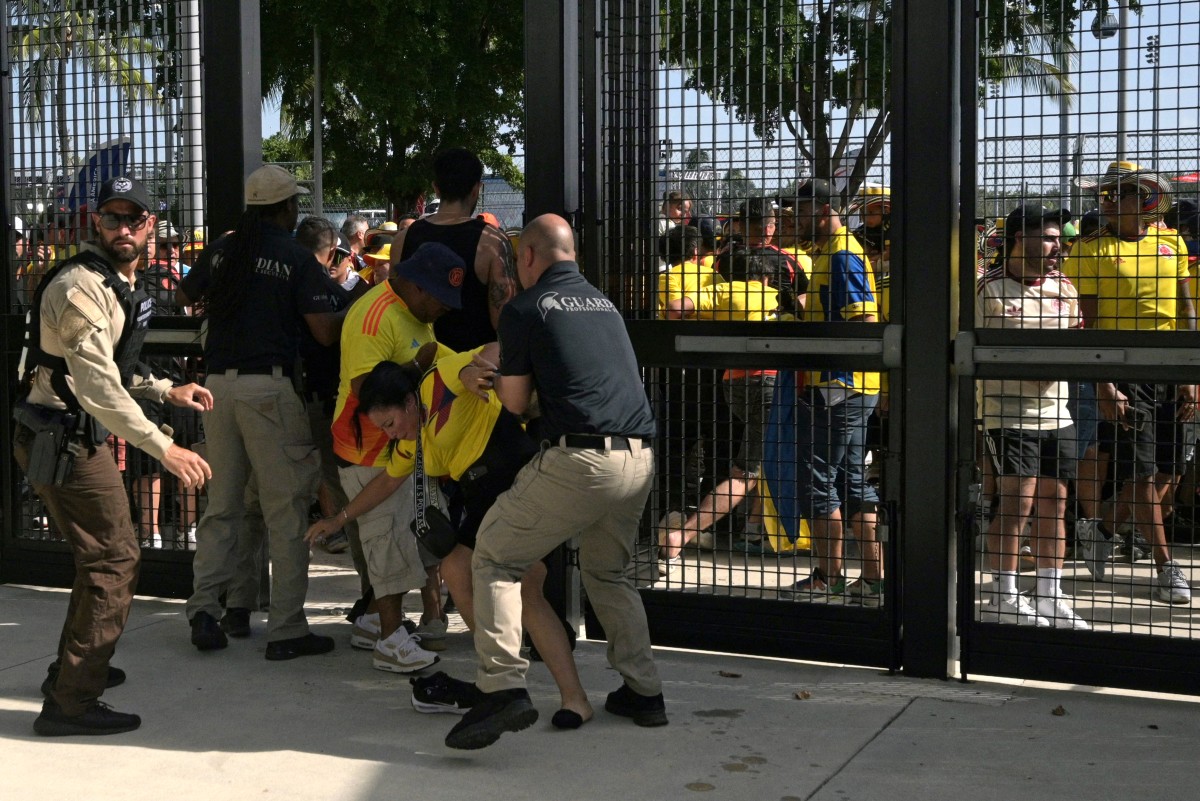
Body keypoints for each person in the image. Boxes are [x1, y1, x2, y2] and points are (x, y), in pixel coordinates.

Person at [443, 214, 665, 751]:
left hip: (580, 461)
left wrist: (484, 381)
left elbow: (517, 404)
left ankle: (502, 688)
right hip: (639, 458)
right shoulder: (605, 305)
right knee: (608, 573)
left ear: (526, 257)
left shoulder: (524, 308)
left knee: (494, 556)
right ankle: (645, 692)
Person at [14, 175, 212, 735]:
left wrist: (165, 391)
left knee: (99, 560)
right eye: (111, 219)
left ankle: (72, 673)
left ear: (152, 226)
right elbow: (98, 388)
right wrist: (164, 445)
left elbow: (116, 371)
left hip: (72, 433)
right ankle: (71, 702)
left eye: (134, 219)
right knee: (114, 561)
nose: (122, 229)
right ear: (95, 224)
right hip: (63, 438)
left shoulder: (119, 281)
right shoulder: (80, 287)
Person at [305, 354, 592, 726]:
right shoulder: (411, 442)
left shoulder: (432, 385)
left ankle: (556, 696)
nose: (390, 434)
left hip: (514, 479)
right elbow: (387, 481)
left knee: (524, 589)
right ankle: (504, 681)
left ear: (409, 402)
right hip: (482, 497)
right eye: (384, 429)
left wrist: (475, 372)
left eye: (391, 423)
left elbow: (475, 359)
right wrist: (338, 519)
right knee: (459, 570)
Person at [180, 164, 345, 659]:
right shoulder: (293, 255)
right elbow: (323, 331)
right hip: (269, 391)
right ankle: (287, 629)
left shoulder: (226, 247)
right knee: (285, 511)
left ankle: (206, 610)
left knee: (224, 507)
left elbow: (187, 293)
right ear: (288, 208)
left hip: (216, 389)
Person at [329, 241, 467, 670]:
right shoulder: (374, 317)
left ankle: (383, 619)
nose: (444, 311)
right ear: (418, 287)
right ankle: (390, 638)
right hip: (369, 451)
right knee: (386, 542)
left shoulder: (413, 312)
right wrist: (418, 371)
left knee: (417, 534)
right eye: (440, 303)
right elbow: (364, 392)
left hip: (405, 447)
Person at [1064, 161, 1196, 604]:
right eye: (1106, 194)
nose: (1108, 201)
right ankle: (1166, 568)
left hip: (1170, 366)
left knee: (1169, 470)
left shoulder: (1170, 239)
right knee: (1141, 473)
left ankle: (1101, 530)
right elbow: (1088, 323)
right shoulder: (1088, 249)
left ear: (1146, 199)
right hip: (1121, 368)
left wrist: (1190, 373)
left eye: (1119, 193)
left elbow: (1186, 308)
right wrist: (1103, 383)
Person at [976, 204, 1088, 629]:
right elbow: (972, 350)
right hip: (1005, 413)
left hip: (1057, 413)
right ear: (1019, 239)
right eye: (1049, 238)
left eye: (1060, 239)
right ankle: (1003, 594)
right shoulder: (988, 289)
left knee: (1055, 504)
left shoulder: (1064, 287)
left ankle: (1049, 594)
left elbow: (1078, 343)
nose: (1058, 247)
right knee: (1016, 503)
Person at [778, 178, 884, 604]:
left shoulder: (842, 254)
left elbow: (859, 324)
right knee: (852, 482)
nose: (794, 220)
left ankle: (829, 575)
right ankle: (874, 579)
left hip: (839, 385)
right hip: (848, 385)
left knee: (817, 479)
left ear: (822, 211)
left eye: (800, 212)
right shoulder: (831, 253)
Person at [391, 147, 517, 353]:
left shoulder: (403, 238)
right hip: (473, 370)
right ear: (477, 189)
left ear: (436, 188)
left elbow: (393, 305)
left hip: (415, 367)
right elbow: (505, 323)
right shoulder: (493, 243)